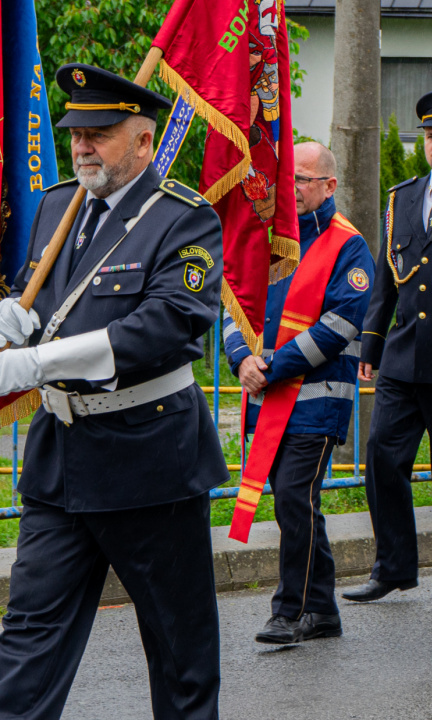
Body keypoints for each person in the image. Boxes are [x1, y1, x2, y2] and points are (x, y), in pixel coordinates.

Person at [0, 64, 226, 719]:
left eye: (100, 133)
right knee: (25, 649)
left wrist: (34, 363)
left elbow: (160, 327)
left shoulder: (184, 220)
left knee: (179, 656)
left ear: (145, 143)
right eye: (77, 133)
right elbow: (46, 300)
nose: (82, 146)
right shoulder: (55, 205)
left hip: (149, 459)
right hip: (61, 461)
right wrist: (16, 315)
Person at [223, 142, 374, 643]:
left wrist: (270, 366)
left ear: (330, 185)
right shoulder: (269, 239)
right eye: (290, 180)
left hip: (315, 402)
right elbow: (232, 304)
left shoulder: (348, 245)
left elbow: (339, 325)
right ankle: (323, 609)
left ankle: (288, 612)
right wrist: (240, 357)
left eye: (304, 180)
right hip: (266, 396)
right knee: (296, 503)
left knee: (293, 498)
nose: (293, 189)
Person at [344, 91, 432, 606]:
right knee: (382, 456)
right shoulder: (403, 196)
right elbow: (387, 274)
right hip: (404, 355)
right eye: (430, 136)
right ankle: (394, 566)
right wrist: (371, 343)